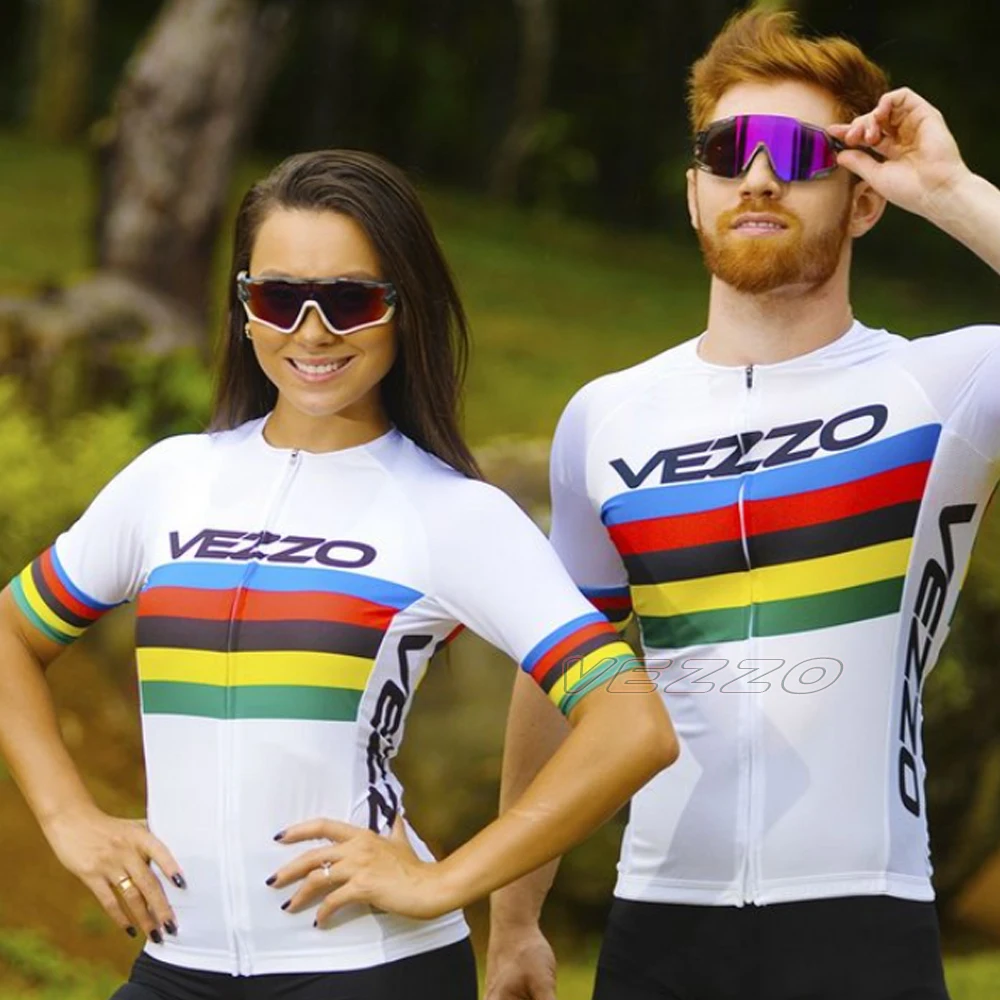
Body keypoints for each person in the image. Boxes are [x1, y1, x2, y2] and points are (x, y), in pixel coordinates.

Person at [0, 149, 679, 1000]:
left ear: (404, 308)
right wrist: (67, 817)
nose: (312, 330)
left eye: (350, 300)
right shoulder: (168, 480)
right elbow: (11, 633)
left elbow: (632, 727)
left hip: (366, 970)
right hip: (178, 968)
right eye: (279, 298)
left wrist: (449, 881)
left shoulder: (454, 514)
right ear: (245, 310)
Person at [485, 10, 1000, 1000]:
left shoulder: (949, 387)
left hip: (863, 925)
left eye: (799, 154)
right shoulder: (606, 418)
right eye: (728, 152)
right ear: (694, 193)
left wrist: (950, 191)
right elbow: (556, 675)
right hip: (656, 934)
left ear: (864, 199)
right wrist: (514, 917)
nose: (758, 177)